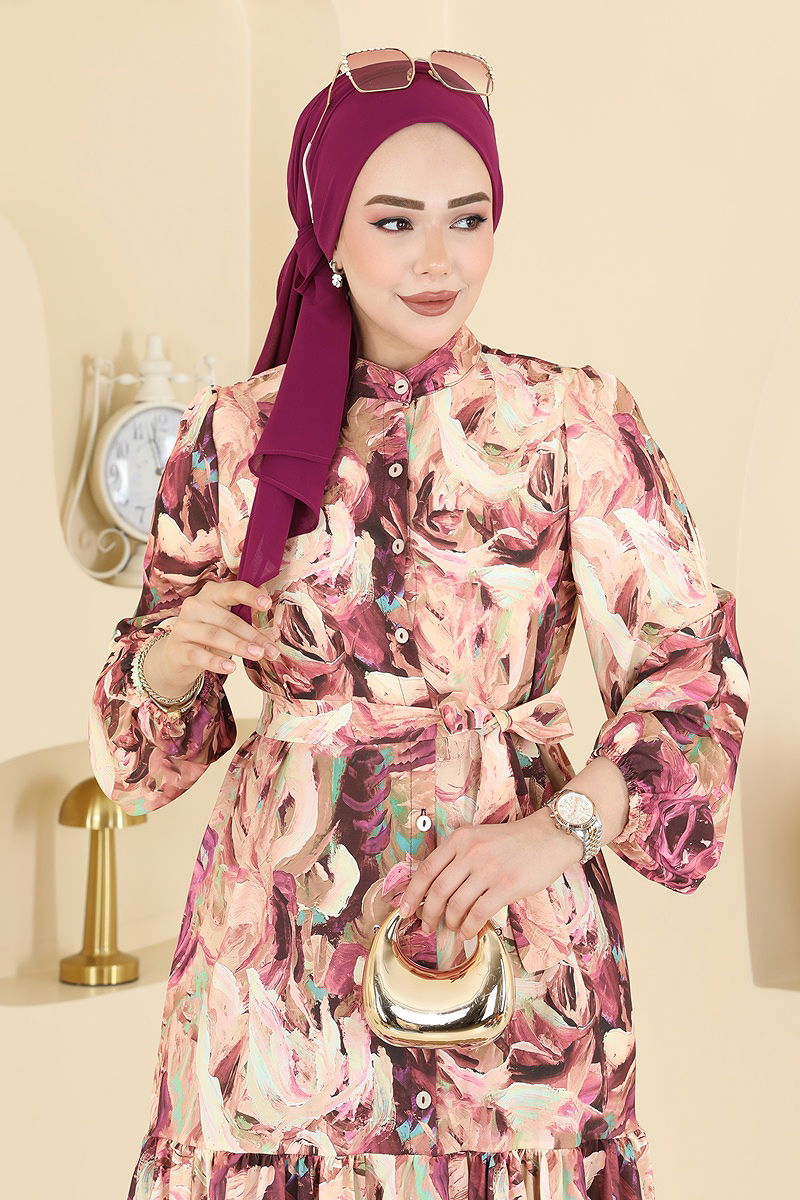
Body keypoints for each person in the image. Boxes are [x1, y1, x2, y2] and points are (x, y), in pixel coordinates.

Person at [88, 51, 750, 1200]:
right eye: (395, 221)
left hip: (513, 957)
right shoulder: (229, 439)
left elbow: (694, 679)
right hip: (279, 977)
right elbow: (137, 769)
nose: (437, 259)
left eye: (467, 217)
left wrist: (557, 833)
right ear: (329, 230)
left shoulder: (569, 421)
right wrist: (171, 663)